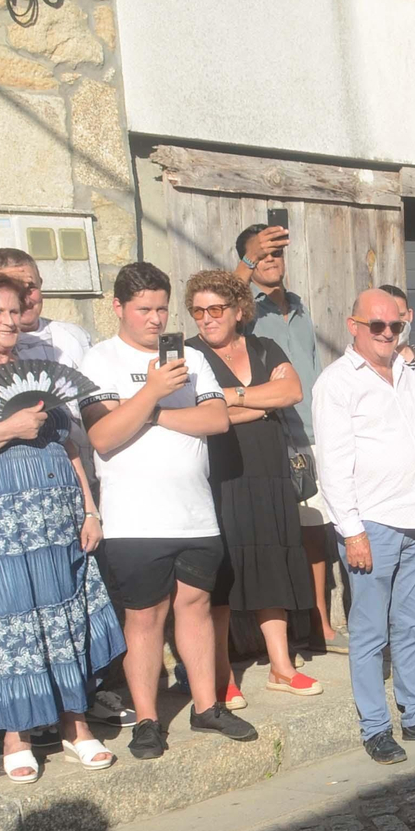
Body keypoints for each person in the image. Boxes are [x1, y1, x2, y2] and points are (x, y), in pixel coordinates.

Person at [0, 272, 124, 780]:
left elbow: (69, 444)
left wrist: (89, 508)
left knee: (63, 616)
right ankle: (14, 735)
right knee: (5, 622)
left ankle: (75, 726)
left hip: (56, 512)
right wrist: (9, 429)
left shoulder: (36, 369)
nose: (10, 321)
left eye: (15, 311)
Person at [81, 262, 256, 759]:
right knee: (145, 619)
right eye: (144, 310)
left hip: (195, 512)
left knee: (196, 608)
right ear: (118, 308)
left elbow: (217, 419)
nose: (156, 320)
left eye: (161, 308)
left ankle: (206, 707)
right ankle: (148, 718)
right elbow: (104, 436)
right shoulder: (100, 360)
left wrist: (149, 412)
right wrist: (153, 390)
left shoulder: (193, 358)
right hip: (136, 519)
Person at [315, 287, 415, 763]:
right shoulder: (337, 382)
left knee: (412, 625)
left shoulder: (407, 374)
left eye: (396, 326)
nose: (388, 334)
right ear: (354, 327)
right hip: (372, 521)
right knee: (370, 632)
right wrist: (351, 531)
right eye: (377, 326)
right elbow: (333, 463)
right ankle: (375, 726)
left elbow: (413, 435)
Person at [183, 270, 318, 704]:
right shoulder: (190, 356)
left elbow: (292, 391)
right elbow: (203, 414)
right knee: (223, 574)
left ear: (239, 310)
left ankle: (281, 666)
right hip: (220, 474)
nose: (206, 319)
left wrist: (233, 398)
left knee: (273, 562)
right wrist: (260, 400)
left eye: (215, 309)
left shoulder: (265, 346)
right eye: (198, 311)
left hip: (269, 471)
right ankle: (221, 674)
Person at [234, 221, 343, 654]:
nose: (270, 259)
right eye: (261, 253)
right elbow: (225, 303)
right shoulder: (246, 310)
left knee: (314, 532)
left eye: (276, 252)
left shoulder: (299, 308)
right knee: (273, 534)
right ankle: (267, 636)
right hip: (266, 431)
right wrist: (245, 261)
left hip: (312, 432)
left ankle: (319, 623)